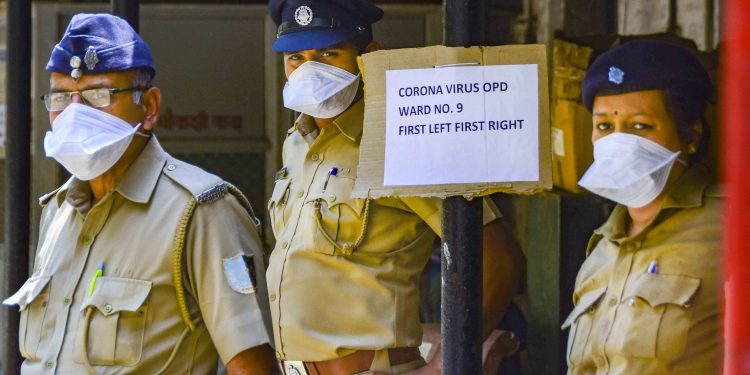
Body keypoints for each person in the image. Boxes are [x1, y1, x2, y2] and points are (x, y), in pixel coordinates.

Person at [2, 14, 276, 374]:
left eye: (98, 96)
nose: (74, 114)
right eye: (61, 98)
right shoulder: (59, 210)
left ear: (148, 107)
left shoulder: (201, 211)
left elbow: (252, 365)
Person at [266, 1, 525, 374]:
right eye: (296, 58)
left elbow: (500, 259)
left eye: (328, 53)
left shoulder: (400, 142)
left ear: (368, 55)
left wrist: (440, 367)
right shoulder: (297, 142)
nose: (309, 71)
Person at [562, 40, 721, 374]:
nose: (618, 142)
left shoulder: (730, 229)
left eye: (640, 126)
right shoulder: (601, 251)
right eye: (604, 126)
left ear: (690, 135)